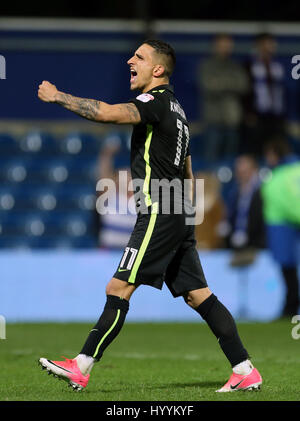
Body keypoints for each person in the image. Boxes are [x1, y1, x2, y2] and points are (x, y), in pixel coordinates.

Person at [37, 39, 262, 392]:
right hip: (176, 209)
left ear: (158, 70)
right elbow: (188, 167)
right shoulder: (179, 111)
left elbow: (108, 113)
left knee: (118, 287)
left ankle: (80, 366)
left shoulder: (154, 102)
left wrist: (58, 96)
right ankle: (245, 369)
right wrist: (184, 214)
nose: (130, 60)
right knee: (197, 294)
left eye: (139, 57)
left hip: (159, 209)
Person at [261, 138, 300, 318]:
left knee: (288, 271)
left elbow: (286, 203)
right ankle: (290, 307)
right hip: (286, 225)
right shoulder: (295, 170)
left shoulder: (278, 177)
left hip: (283, 227)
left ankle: (290, 308)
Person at [198, 33, 249, 162]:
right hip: (214, 121)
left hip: (232, 121)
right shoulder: (207, 65)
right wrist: (231, 84)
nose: (226, 48)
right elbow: (209, 86)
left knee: (230, 162)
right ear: (215, 46)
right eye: (222, 45)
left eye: (228, 45)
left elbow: (244, 85)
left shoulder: (235, 66)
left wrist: (221, 83)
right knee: (211, 161)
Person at [242, 33, 286, 158]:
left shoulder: (278, 66)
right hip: (257, 117)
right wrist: (248, 113)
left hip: (276, 117)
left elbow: (282, 92)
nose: (269, 47)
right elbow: (245, 92)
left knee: (277, 149)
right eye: (266, 44)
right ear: (258, 46)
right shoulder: (249, 66)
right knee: (256, 152)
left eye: (271, 44)